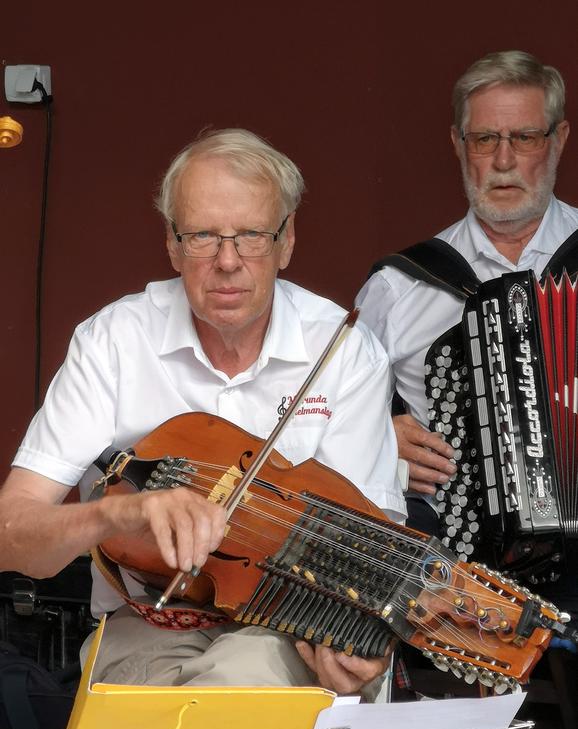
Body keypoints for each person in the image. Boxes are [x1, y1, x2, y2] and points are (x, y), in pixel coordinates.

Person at [0, 128, 405, 695]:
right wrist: (115, 516)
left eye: (252, 236)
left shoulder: (344, 349)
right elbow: (11, 532)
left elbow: (374, 549)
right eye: (203, 236)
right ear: (172, 245)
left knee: (238, 686)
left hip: (288, 632)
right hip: (146, 621)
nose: (227, 261)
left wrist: (353, 646)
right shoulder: (112, 341)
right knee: (135, 721)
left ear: (287, 242)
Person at [356, 50, 576, 529]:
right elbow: (325, 419)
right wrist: (375, 439)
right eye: (484, 139)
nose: (503, 160)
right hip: (457, 574)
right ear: (458, 144)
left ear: (558, 140)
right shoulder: (398, 286)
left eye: (524, 137)